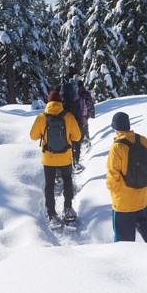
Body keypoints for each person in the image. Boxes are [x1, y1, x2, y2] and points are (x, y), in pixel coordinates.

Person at [105, 111, 147, 244]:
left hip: (123, 201)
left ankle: (123, 261)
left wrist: (112, 190)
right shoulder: (142, 140)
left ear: (115, 128)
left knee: (124, 239)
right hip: (141, 196)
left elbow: (112, 173)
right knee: (144, 224)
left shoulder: (117, 147)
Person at [30, 89, 82, 225]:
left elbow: (33, 136)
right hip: (65, 157)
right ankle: (68, 209)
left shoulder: (42, 117)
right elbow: (77, 136)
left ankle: (51, 214)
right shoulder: (68, 116)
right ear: (60, 102)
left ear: (48, 102)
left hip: (49, 158)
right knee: (67, 181)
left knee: (49, 185)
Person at [78, 81, 96, 149]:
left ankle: (83, 140)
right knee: (85, 127)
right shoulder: (86, 93)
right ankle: (87, 140)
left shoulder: (78, 94)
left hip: (80, 115)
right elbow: (91, 103)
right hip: (86, 114)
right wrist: (92, 113)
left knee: (81, 127)